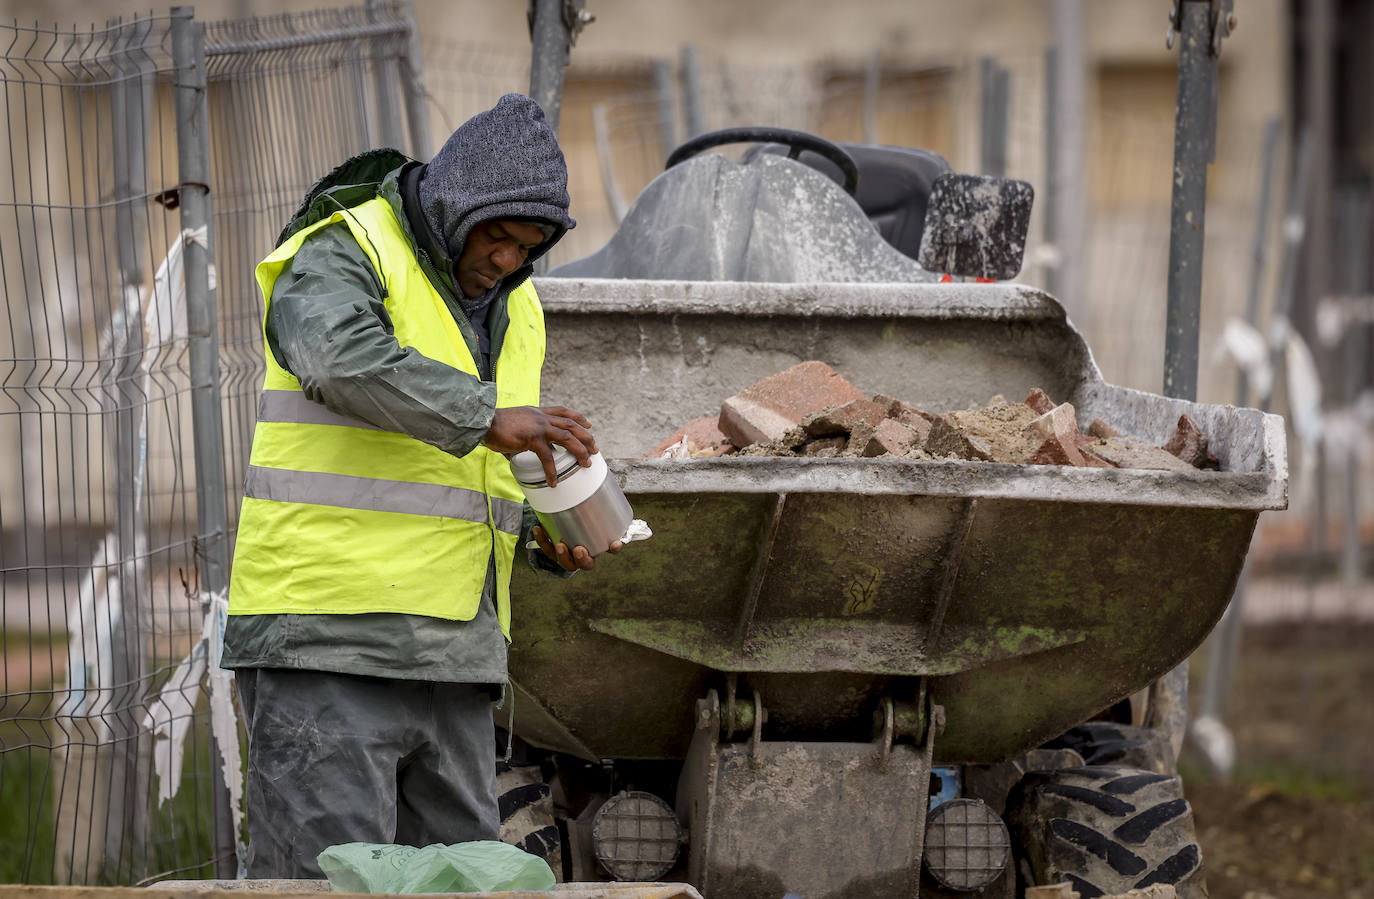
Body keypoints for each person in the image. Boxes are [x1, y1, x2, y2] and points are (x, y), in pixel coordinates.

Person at [222, 93, 616, 878]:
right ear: (451, 202)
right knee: (326, 884)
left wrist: (545, 539)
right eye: (495, 236)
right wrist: (483, 414)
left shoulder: (519, 306)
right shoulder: (343, 249)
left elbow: (472, 478)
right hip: (328, 641)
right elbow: (336, 358)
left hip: (454, 660)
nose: (506, 260)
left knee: (461, 886)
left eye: (527, 246)